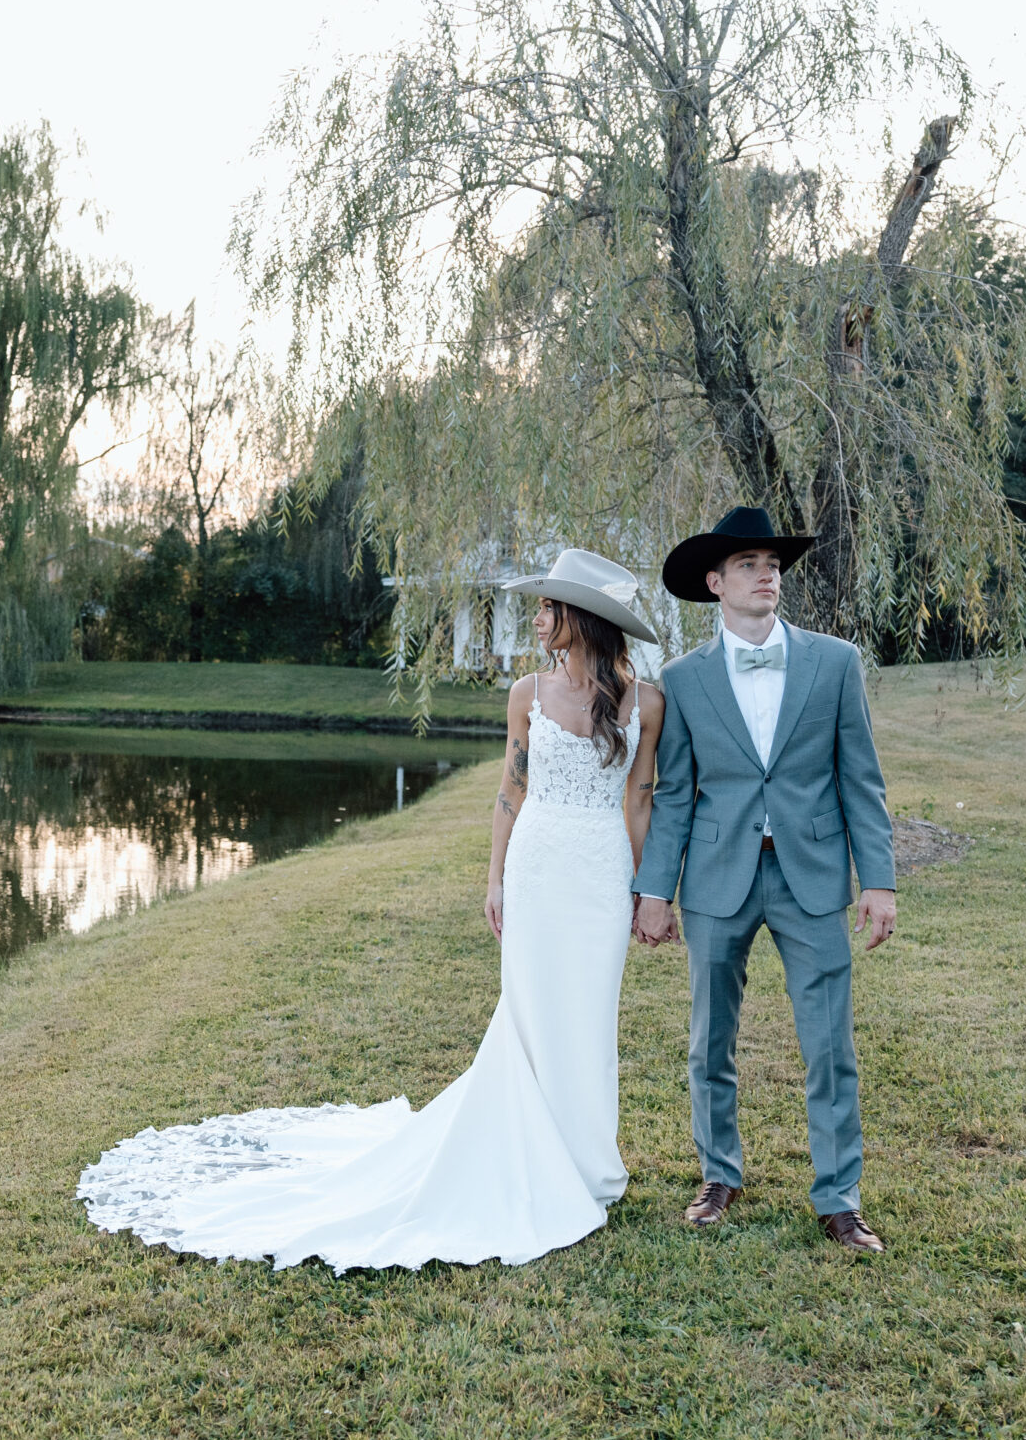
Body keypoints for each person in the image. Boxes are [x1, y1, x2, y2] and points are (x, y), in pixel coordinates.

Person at [77, 548, 665, 1271]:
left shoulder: (648, 703)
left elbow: (639, 800)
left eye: (549, 607)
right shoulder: (527, 694)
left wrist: (643, 889)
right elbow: (511, 791)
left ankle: (587, 1157)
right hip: (539, 868)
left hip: (601, 871)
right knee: (532, 1011)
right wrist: (494, 877)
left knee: (589, 1010)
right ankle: (534, 1158)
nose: (538, 617)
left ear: (583, 619)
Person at [631, 507, 899, 1251]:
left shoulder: (835, 663)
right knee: (709, 1036)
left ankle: (838, 1197)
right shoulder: (682, 680)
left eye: (773, 564)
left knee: (829, 1044)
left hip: (812, 876)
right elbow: (675, 792)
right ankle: (719, 1173)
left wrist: (878, 879)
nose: (766, 573)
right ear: (715, 582)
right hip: (717, 878)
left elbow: (862, 781)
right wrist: (655, 890)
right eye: (749, 563)